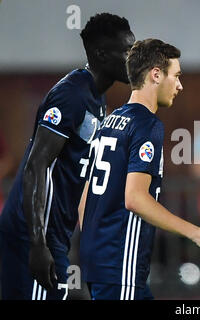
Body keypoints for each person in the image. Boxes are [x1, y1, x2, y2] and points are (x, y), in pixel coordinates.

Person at [78, 38, 200, 300]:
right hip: (122, 266)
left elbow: (85, 198)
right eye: (175, 76)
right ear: (156, 75)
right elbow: (135, 199)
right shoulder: (146, 125)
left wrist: (97, 246)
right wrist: (195, 233)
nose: (179, 85)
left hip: (98, 263)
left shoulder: (109, 123)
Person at [0, 13, 135, 300]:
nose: (133, 59)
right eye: (126, 51)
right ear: (101, 54)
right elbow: (36, 166)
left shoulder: (96, 98)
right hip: (35, 235)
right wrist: (37, 243)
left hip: (55, 236)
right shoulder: (70, 96)